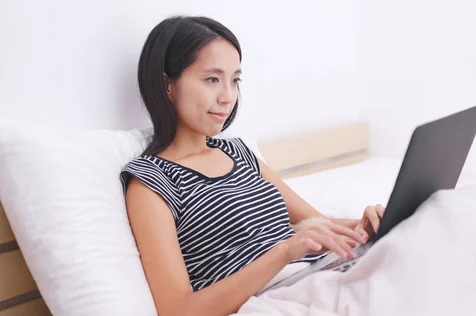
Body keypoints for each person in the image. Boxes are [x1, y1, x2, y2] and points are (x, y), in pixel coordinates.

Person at [120, 15, 384, 316]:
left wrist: (368, 224)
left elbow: (318, 225)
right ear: (168, 84)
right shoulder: (151, 183)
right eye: (212, 79)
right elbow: (177, 309)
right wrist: (284, 252)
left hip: (319, 274)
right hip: (274, 300)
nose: (227, 96)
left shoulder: (238, 152)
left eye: (235, 80)